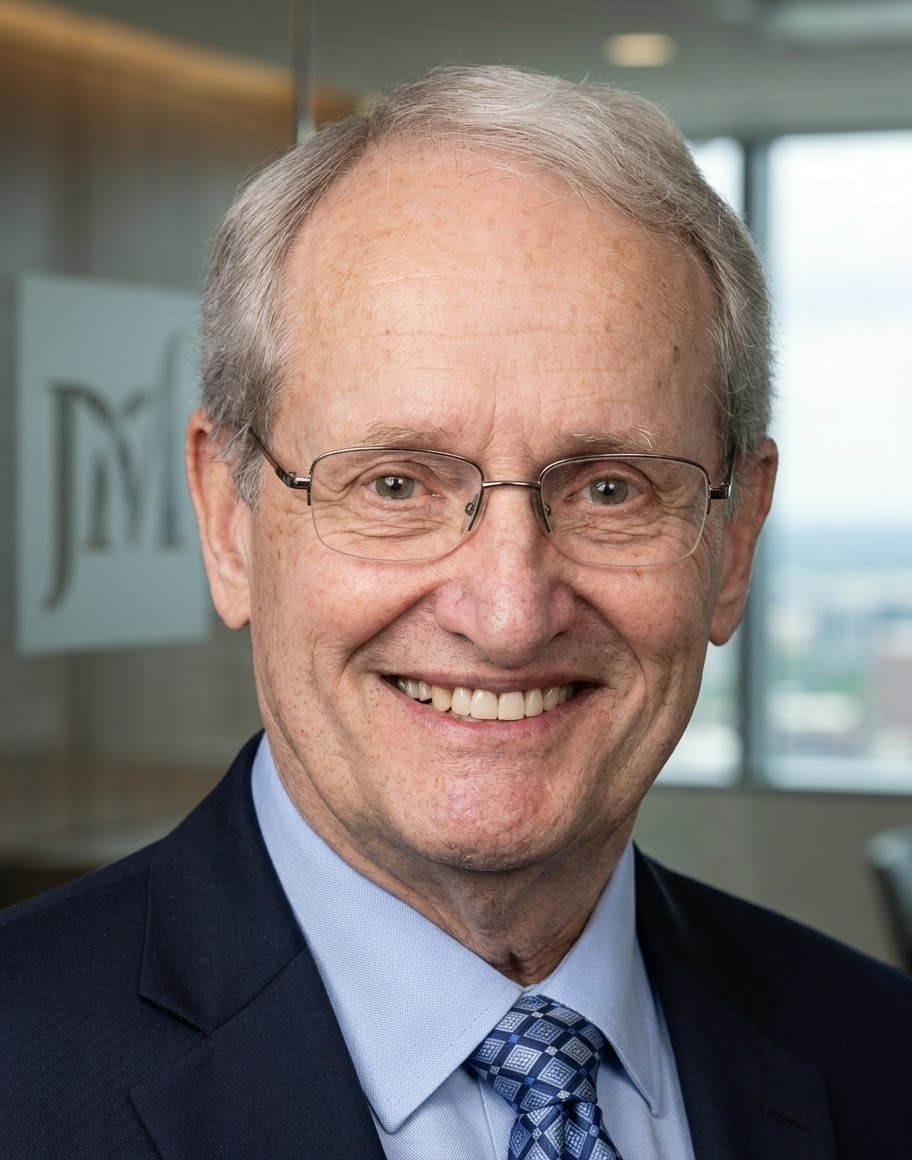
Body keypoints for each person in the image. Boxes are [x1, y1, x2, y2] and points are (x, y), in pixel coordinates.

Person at [2, 65, 910, 1160]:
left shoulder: (883, 1057)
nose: (510, 612)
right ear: (228, 519)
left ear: (736, 538)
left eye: (610, 488)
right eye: (396, 484)